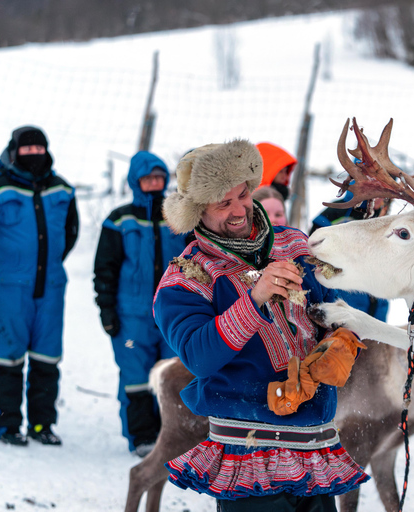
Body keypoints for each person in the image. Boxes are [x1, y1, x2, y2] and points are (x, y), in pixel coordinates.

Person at [153, 140, 370, 511]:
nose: (240, 210)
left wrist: (341, 337)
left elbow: (342, 306)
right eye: (224, 203)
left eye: (243, 194)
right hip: (247, 457)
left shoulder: (296, 245)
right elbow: (199, 358)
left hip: (314, 450)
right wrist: (255, 298)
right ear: (196, 211)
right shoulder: (185, 278)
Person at [0, 126, 79, 446]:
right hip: (9, 287)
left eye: (38, 148)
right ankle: (9, 425)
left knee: (46, 358)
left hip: (51, 287)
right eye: (25, 149)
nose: (32, 154)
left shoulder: (62, 190)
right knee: (9, 356)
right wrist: (1, 261)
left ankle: (42, 425)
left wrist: (50, 260)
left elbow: (70, 233)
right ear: (13, 151)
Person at [93, 150, 188, 457]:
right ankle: (142, 436)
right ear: (135, 181)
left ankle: (173, 435)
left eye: (159, 178)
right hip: (131, 313)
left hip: (172, 313)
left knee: (173, 375)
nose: (154, 183)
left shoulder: (177, 218)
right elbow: (104, 269)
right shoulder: (120, 220)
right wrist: (106, 309)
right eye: (147, 179)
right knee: (135, 376)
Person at [310, 189, 389, 321]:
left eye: (385, 196)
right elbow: (313, 248)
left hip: (376, 298)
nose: (382, 200)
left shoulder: (380, 217)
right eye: (378, 194)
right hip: (343, 295)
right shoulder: (336, 212)